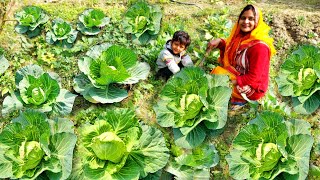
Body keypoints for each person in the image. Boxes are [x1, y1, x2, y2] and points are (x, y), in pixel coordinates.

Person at [207, 4, 276, 110]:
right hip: (241, 74)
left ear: (257, 22)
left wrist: (229, 83)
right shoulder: (241, 36)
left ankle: (242, 99)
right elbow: (233, 49)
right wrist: (220, 42)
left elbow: (254, 77)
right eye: (243, 18)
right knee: (216, 76)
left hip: (253, 86)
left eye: (251, 19)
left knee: (217, 80)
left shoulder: (260, 47)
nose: (246, 22)